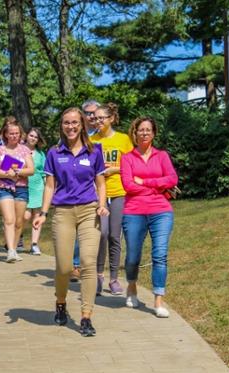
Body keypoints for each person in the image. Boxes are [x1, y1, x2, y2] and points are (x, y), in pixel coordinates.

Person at [33, 107, 109, 337]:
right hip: (63, 212)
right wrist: (43, 213)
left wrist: (102, 204)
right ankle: (61, 302)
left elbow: (101, 183)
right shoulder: (55, 153)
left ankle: (86, 317)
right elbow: (49, 186)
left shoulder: (94, 150)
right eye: (67, 122)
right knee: (65, 267)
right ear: (62, 126)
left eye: (75, 122)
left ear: (83, 124)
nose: (71, 126)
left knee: (87, 263)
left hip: (89, 211)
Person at [120, 116, 178, 318]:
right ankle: (132, 286)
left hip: (161, 210)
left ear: (153, 133)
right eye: (140, 130)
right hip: (134, 212)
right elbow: (128, 185)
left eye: (148, 130)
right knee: (133, 257)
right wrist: (157, 185)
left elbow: (172, 179)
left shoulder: (162, 156)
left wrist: (144, 183)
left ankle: (158, 300)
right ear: (134, 134)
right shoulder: (127, 158)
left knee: (160, 255)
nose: (144, 133)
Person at [90, 103, 133, 296]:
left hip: (118, 192)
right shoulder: (91, 140)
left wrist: (114, 169)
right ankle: (98, 276)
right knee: (102, 234)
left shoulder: (123, 139)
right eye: (95, 118)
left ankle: (114, 279)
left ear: (111, 119)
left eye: (101, 118)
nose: (97, 121)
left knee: (115, 236)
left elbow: (133, 165)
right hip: (98, 194)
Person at [0, 117, 34, 263]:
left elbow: (31, 169)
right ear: (6, 134)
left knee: (19, 222)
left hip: (21, 188)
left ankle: (14, 249)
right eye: (11, 133)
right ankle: (10, 250)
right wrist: (7, 173)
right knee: (9, 219)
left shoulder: (25, 150)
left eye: (17, 133)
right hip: (4, 188)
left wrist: (17, 171)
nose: (14, 136)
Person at [70, 99, 101, 282]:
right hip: (78, 191)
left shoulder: (102, 134)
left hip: (103, 187)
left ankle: (94, 268)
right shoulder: (74, 134)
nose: (91, 116)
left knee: (101, 232)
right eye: (87, 113)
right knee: (77, 230)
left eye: (94, 113)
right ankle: (75, 265)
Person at [23, 127, 47, 255]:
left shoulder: (41, 154)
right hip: (23, 186)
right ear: (27, 136)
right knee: (24, 216)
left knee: (37, 216)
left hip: (38, 188)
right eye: (31, 135)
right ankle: (17, 236)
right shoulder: (19, 150)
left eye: (36, 137)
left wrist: (47, 188)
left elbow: (44, 173)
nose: (33, 138)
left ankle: (34, 244)